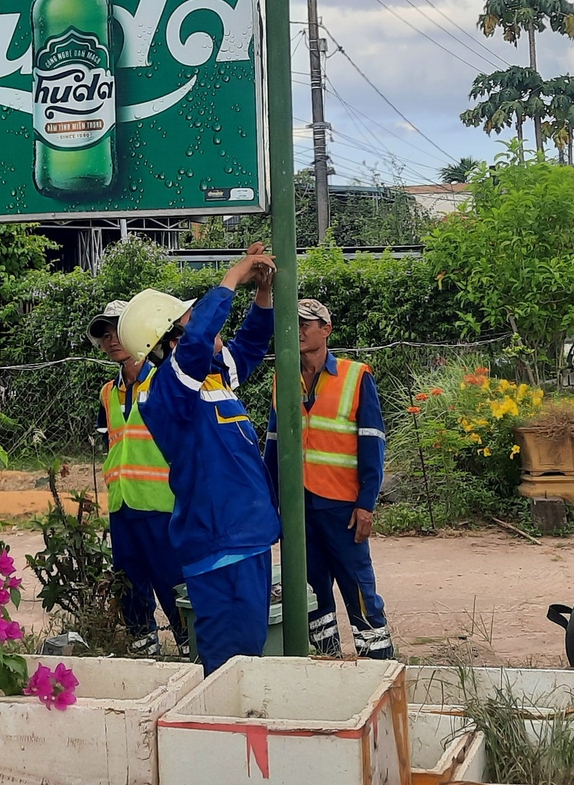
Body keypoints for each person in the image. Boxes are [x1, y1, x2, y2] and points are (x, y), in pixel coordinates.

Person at [119, 244, 279, 674]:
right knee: (232, 670)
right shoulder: (166, 393)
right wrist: (233, 275)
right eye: (193, 326)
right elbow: (195, 347)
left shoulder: (211, 379)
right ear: (171, 341)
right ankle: (221, 739)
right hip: (221, 547)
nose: (213, 333)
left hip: (247, 539)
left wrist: (263, 292)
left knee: (247, 662)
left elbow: (250, 343)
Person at [266, 299, 391, 659]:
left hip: (342, 507)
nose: (300, 330)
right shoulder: (282, 379)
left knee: (358, 588)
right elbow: (273, 446)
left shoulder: (355, 376)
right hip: (298, 508)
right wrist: (270, 503)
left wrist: (366, 504)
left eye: (308, 323)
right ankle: (327, 662)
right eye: (294, 322)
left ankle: (378, 663)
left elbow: (372, 443)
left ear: (326, 329)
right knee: (312, 592)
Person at [90, 299, 187, 657]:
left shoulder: (165, 379)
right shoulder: (107, 392)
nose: (112, 339)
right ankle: (143, 654)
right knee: (130, 587)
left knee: (173, 584)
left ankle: (191, 651)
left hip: (163, 503)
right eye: (104, 333)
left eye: (118, 329)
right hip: (123, 505)